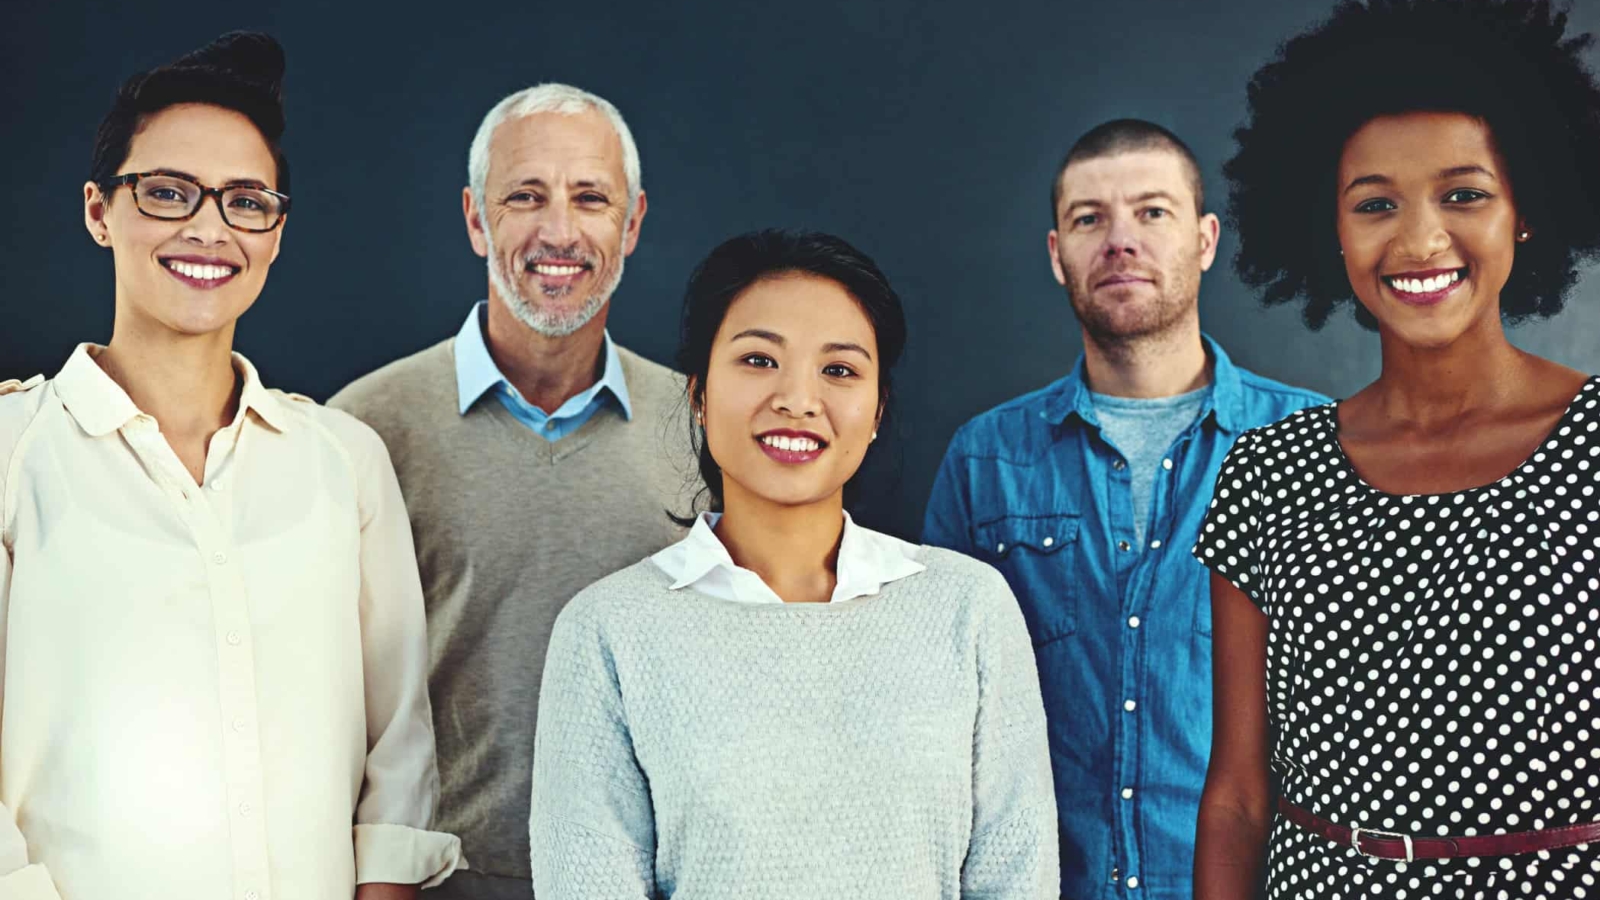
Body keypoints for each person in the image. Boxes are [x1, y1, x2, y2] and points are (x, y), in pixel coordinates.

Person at [0, 32, 459, 900]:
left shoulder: (342, 463)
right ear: (99, 210)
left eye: (246, 201)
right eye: (167, 193)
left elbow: (398, 751)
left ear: (277, 234)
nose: (209, 228)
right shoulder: (13, 455)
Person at [1194, 1, 1600, 897]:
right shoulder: (1269, 476)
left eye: (1465, 194)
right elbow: (1237, 797)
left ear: (1526, 209)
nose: (1420, 240)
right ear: (1329, 230)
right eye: (1376, 203)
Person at [528, 229, 1058, 898]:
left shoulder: (968, 608)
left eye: (839, 370)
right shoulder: (609, 630)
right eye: (758, 360)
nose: (798, 399)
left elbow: (1017, 876)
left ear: (876, 411)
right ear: (697, 392)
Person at [924, 119, 1327, 898]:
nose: (1119, 241)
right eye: (1089, 219)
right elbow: (938, 728)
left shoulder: (1313, 448)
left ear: (1206, 239)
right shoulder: (985, 461)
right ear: (1056, 254)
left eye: (1152, 212)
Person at [328, 83, 696, 899]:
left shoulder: (701, 430)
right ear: (474, 219)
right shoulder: (362, 430)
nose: (558, 231)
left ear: (631, 224)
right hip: (434, 886)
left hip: (652, 881)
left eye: (590, 199)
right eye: (525, 196)